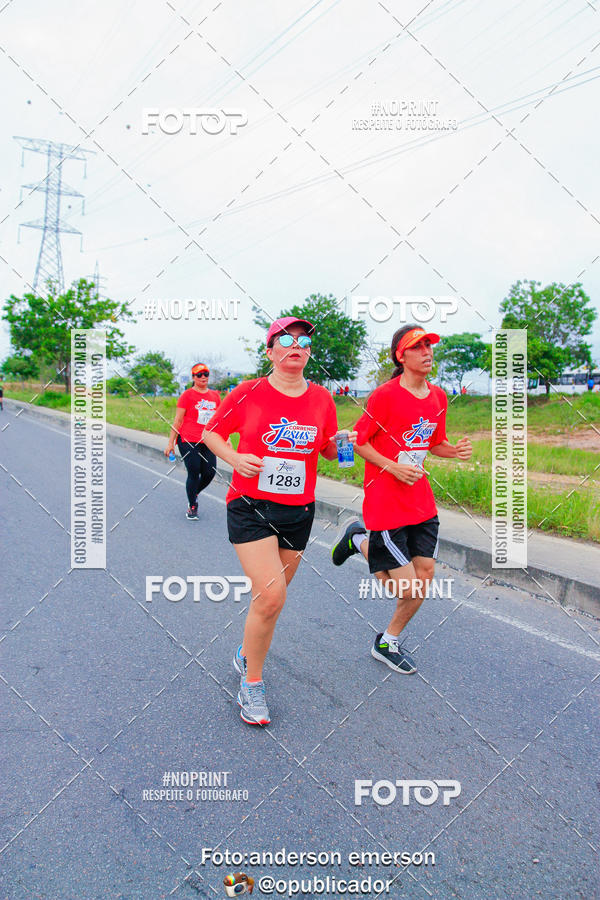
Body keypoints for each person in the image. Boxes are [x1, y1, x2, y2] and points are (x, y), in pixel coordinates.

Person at [203, 316, 356, 726]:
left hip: (298, 511)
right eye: (286, 340)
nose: (296, 346)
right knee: (272, 598)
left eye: (304, 341)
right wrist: (235, 458)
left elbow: (326, 451)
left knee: (270, 599)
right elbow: (212, 433)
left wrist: (342, 444)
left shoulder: (322, 398)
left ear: (308, 353)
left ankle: (244, 653)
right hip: (250, 505)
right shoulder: (248, 391)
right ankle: (252, 682)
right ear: (270, 351)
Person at [331, 324, 472, 675]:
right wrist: (392, 467)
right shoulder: (385, 396)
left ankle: (387, 641)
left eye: (429, 345)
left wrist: (454, 451)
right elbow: (359, 442)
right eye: (418, 346)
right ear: (401, 355)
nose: (427, 352)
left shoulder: (438, 397)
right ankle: (359, 538)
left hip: (421, 501)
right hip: (385, 502)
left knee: (423, 580)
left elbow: (434, 442)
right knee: (405, 586)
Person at [165, 363, 221, 519]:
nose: (203, 377)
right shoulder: (187, 395)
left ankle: (193, 491)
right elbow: (177, 421)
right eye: (199, 375)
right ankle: (192, 505)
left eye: (206, 374)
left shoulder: (215, 396)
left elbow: (219, 420)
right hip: (188, 439)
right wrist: (170, 443)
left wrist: (226, 438)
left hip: (208, 439)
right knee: (194, 471)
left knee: (210, 472)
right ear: (194, 378)